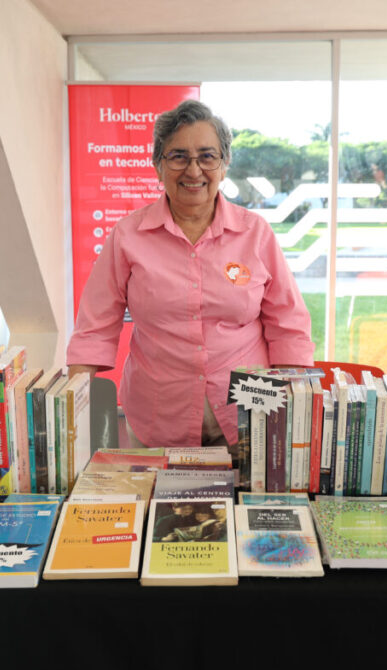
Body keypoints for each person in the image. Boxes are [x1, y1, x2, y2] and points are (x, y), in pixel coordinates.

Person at [66, 100, 314, 450]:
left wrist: (295, 408)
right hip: (157, 417)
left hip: (250, 416)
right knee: (158, 506)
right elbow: (95, 324)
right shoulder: (128, 235)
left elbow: (288, 322)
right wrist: (70, 414)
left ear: (224, 165)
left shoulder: (255, 233)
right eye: (178, 156)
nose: (193, 170)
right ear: (158, 166)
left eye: (207, 157)